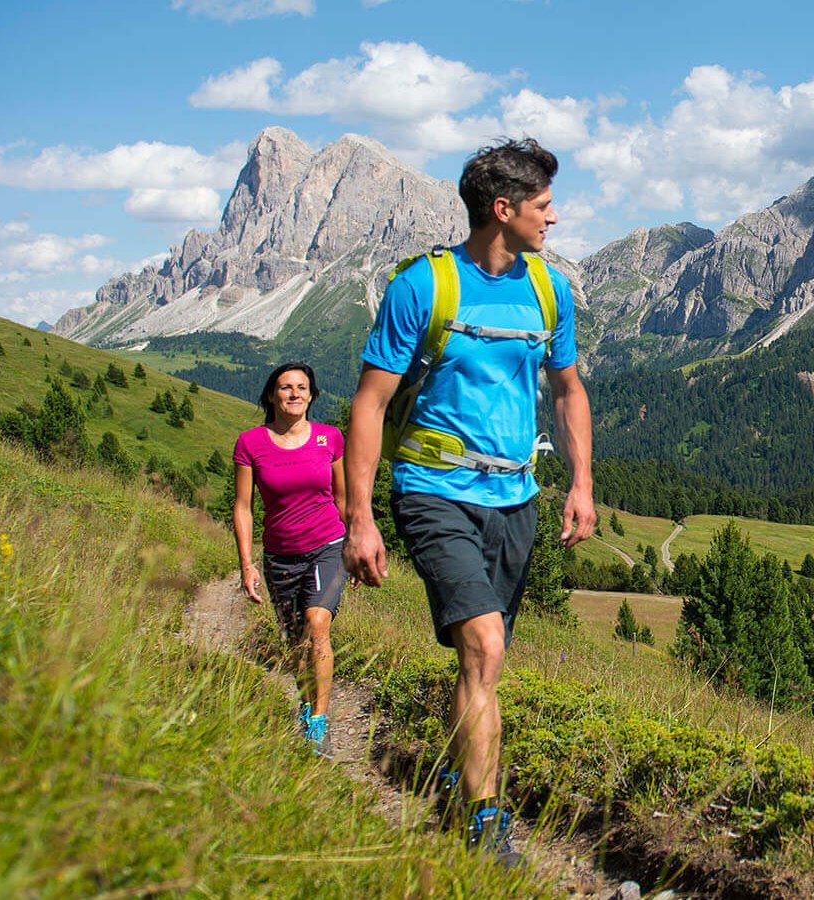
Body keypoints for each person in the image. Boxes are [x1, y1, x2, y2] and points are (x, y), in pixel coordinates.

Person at [343, 137, 594, 859]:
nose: (554, 218)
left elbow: (568, 390)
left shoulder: (549, 288)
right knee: (483, 644)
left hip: (517, 500)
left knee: (483, 662)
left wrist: (580, 484)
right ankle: (487, 823)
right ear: (503, 208)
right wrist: (361, 518)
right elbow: (368, 404)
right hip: (431, 492)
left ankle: (463, 801)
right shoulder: (422, 286)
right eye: (544, 206)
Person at [232, 362, 348, 755]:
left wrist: (356, 544)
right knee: (295, 643)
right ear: (271, 396)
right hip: (280, 555)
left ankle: (319, 721)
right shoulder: (250, 443)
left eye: (302, 387)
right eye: (286, 388)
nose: (295, 394)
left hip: (327, 545)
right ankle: (305, 703)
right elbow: (243, 507)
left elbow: (344, 497)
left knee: (318, 626)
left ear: (312, 395)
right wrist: (246, 563)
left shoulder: (329, 438)